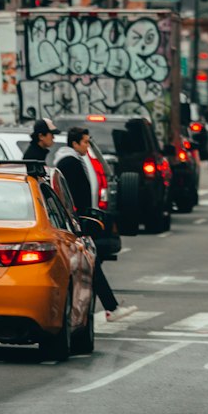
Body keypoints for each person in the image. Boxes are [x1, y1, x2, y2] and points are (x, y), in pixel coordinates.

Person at [54, 127, 137, 324]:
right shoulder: (70, 162)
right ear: (74, 144)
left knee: (92, 265)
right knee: (91, 265)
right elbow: (72, 194)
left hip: (78, 221)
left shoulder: (71, 160)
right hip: (78, 223)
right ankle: (109, 308)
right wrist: (82, 219)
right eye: (84, 142)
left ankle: (109, 307)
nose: (86, 146)